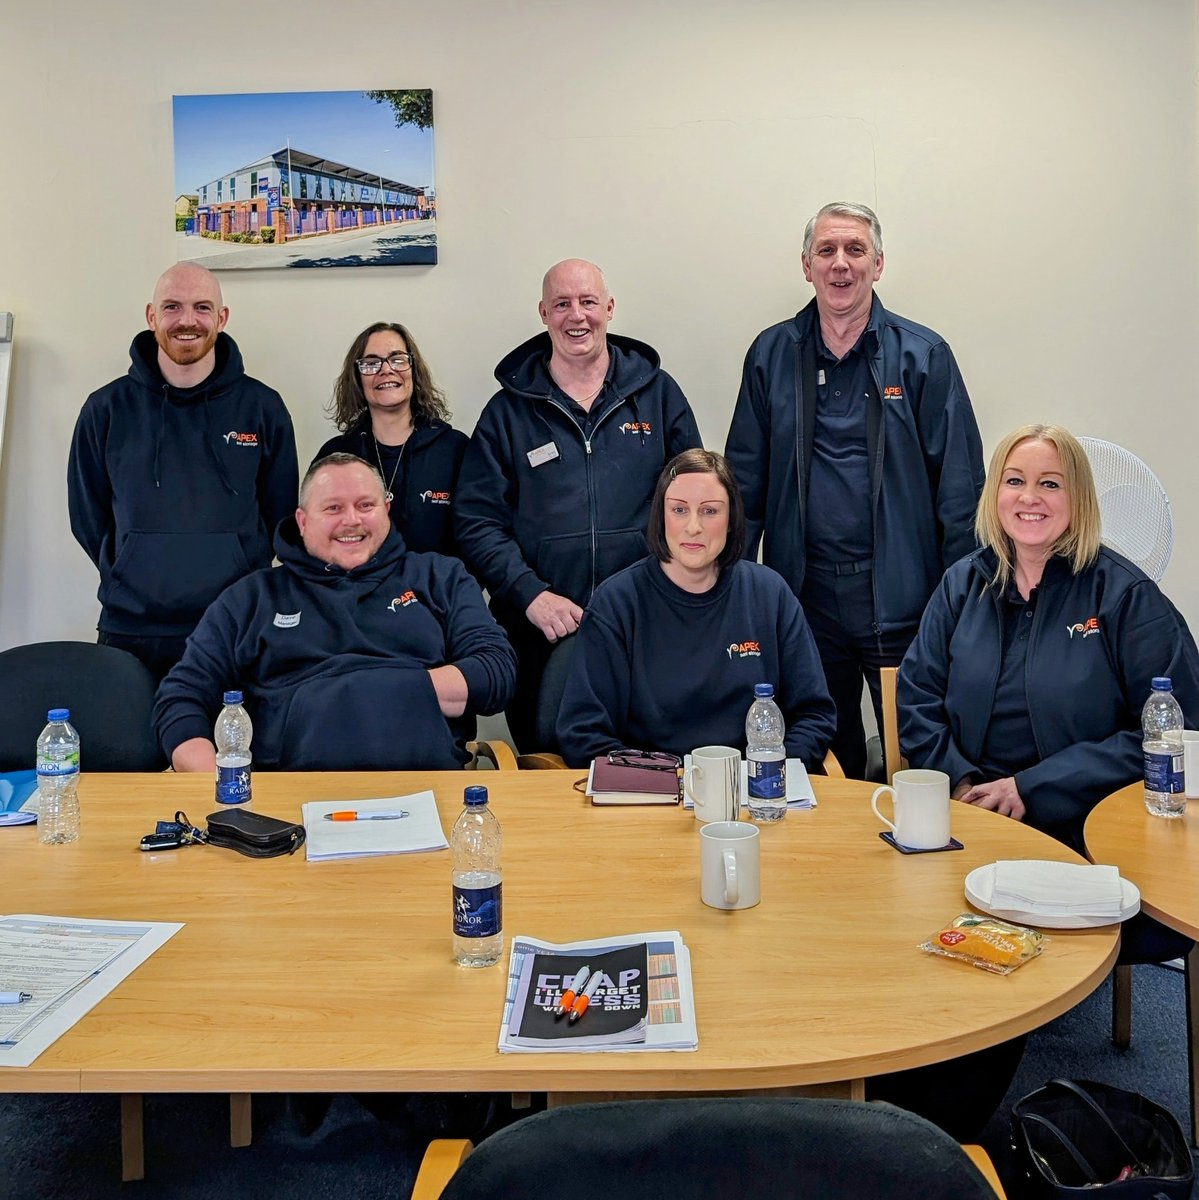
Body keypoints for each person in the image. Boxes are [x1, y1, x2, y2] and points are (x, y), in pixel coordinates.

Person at [725, 202, 984, 779]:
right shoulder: (771, 355)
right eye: (827, 250)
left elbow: (961, 491)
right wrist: (738, 593)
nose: (840, 263)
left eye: (855, 250)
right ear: (807, 266)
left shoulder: (923, 356)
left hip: (904, 598)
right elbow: (744, 484)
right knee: (825, 755)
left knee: (915, 753)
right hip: (805, 599)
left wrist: (961, 604)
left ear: (878, 264)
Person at [899, 422, 1199, 855]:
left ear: (1079, 497)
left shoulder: (1127, 597)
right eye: (1014, 481)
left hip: (1086, 826)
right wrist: (961, 783)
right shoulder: (961, 584)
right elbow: (917, 697)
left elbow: (1172, 732)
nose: (1029, 497)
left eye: (1050, 484)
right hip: (966, 815)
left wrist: (1032, 788)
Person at [456, 258, 702, 751]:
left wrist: (666, 587)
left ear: (609, 308)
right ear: (543, 313)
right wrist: (530, 595)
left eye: (588, 302)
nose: (577, 316)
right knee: (549, 765)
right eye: (562, 304)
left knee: (652, 770)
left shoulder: (658, 396)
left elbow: (695, 501)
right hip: (539, 633)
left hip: (647, 624)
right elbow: (476, 522)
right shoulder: (506, 413)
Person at [153, 454, 516, 772]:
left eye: (365, 505)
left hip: (429, 788)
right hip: (286, 801)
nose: (352, 520)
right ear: (302, 521)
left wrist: (403, 692)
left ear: (386, 510)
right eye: (333, 508)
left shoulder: (440, 576)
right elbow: (181, 697)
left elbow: (496, 670)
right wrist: (220, 787)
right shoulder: (250, 598)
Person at [68, 262, 299, 682]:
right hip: (132, 628)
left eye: (202, 307)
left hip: (236, 624)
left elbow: (281, 512)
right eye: (172, 307)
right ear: (151, 316)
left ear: (222, 318)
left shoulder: (263, 408)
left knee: (233, 729)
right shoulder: (105, 409)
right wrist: (130, 567)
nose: (187, 320)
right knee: (127, 728)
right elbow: (88, 515)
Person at [556, 449, 835, 769]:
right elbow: (583, 734)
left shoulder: (770, 594)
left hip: (754, 783)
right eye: (679, 510)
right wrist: (667, 779)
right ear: (660, 516)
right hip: (650, 787)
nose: (693, 527)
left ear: (731, 520)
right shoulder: (616, 604)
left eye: (709, 511)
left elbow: (814, 716)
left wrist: (765, 773)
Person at [315, 322, 468, 558]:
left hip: (440, 583)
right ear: (357, 378)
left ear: (413, 370)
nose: (386, 370)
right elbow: (317, 537)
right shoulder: (335, 455)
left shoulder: (455, 449)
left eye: (397, 359)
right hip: (356, 583)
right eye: (371, 363)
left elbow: (477, 533)